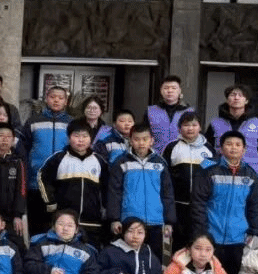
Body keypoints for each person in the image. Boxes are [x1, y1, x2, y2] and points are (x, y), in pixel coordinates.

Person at [189, 130, 258, 274]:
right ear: (221, 148)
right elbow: (198, 201)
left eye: (238, 145)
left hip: (237, 236)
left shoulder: (250, 174)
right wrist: (201, 229)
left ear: (244, 150)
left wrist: (254, 229)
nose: (233, 148)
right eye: (229, 144)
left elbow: (256, 204)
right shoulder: (209, 170)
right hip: (211, 234)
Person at [106, 122, 175, 261]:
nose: (141, 143)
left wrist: (169, 221)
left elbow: (167, 194)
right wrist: (114, 219)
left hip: (157, 222)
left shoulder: (160, 163)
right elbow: (114, 193)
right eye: (137, 139)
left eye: (145, 139)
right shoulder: (121, 162)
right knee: (129, 259)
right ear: (130, 141)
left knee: (156, 259)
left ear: (152, 140)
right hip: (130, 221)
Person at [37, 119, 108, 249]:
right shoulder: (59, 158)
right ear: (69, 138)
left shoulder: (99, 161)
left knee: (91, 253)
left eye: (85, 136)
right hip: (65, 222)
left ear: (91, 139)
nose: (80, 140)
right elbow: (42, 177)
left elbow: (107, 189)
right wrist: (50, 202)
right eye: (76, 136)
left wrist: (105, 209)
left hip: (91, 221)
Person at [162, 112, 215, 254]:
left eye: (194, 125)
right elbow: (164, 176)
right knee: (175, 242)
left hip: (200, 206)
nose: (190, 128)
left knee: (196, 241)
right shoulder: (171, 148)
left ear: (200, 127)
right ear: (179, 128)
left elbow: (212, 177)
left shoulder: (208, 149)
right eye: (186, 125)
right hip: (177, 205)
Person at [23, 86, 71, 236]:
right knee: (37, 226)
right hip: (36, 182)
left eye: (60, 98)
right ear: (46, 99)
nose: (56, 100)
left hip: (63, 182)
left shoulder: (72, 123)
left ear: (66, 101)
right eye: (52, 97)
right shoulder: (33, 121)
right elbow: (24, 149)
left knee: (61, 225)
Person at [205, 84, 258, 177]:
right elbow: (208, 148)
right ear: (227, 100)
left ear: (246, 101)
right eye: (233, 95)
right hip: (220, 173)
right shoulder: (215, 123)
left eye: (241, 95)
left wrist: (254, 164)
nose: (236, 98)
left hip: (250, 173)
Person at [145, 75, 194, 155]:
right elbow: (144, 134)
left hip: (182, 155)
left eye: (174, 88)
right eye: (166, 88)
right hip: (156, 155)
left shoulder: (189, 112)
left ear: (180, 91)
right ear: (161, 91)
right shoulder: (151, 111)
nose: (170, 91)